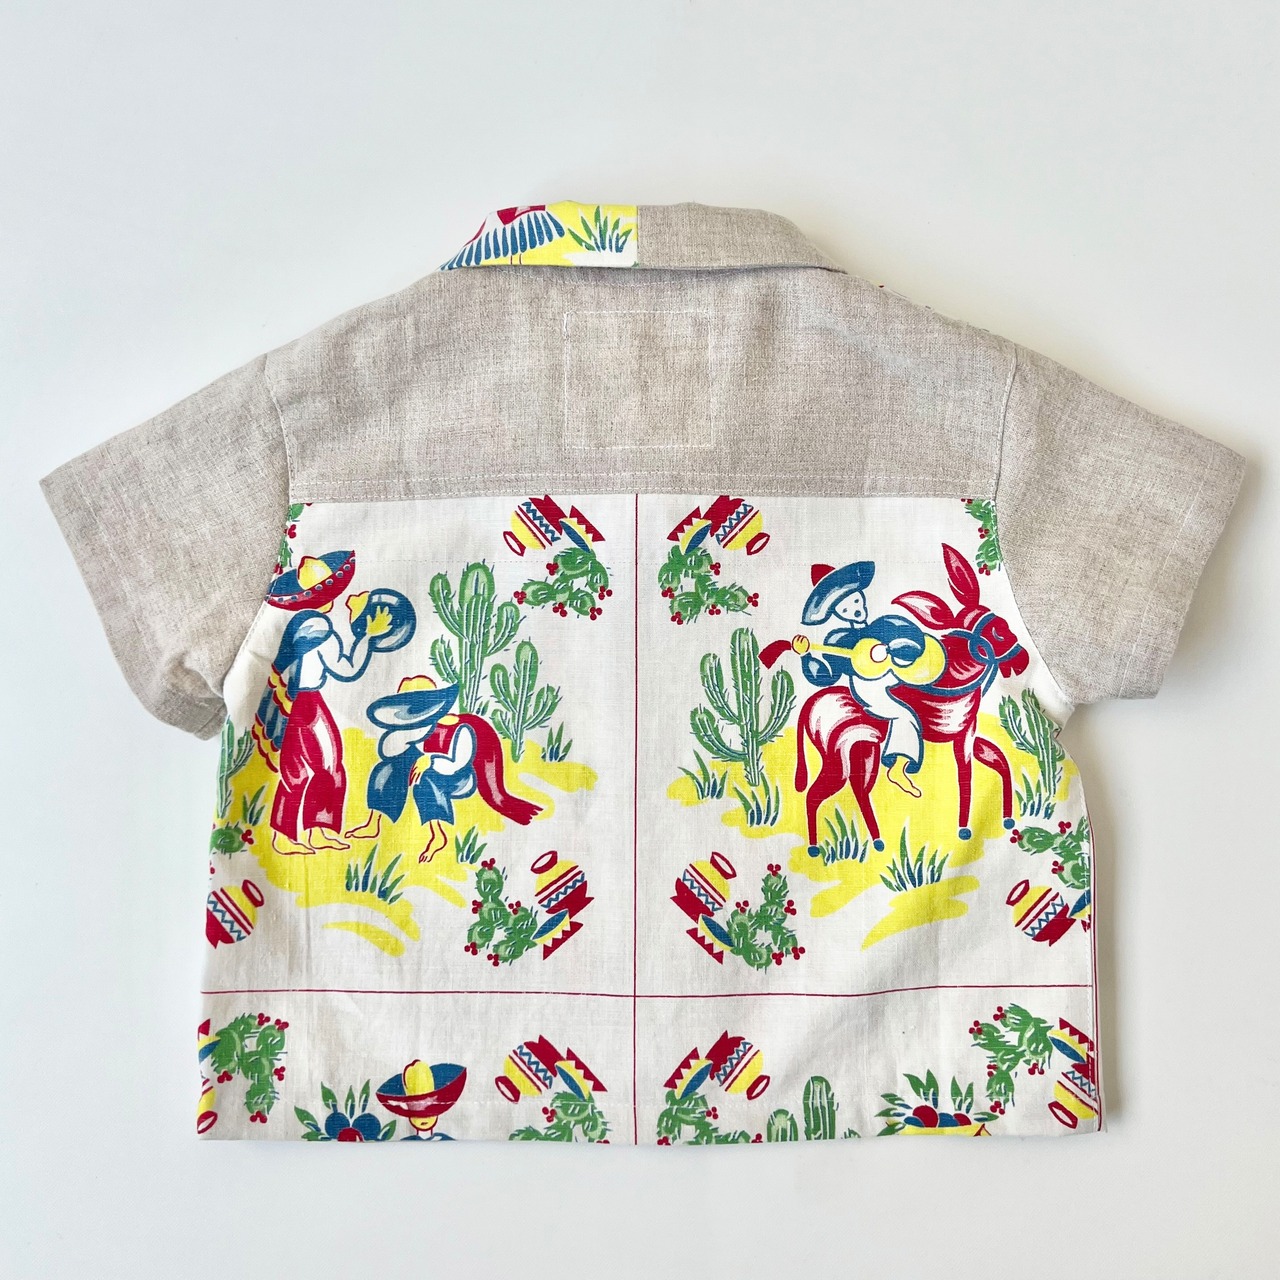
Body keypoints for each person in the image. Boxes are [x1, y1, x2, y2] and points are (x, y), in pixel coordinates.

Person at [798, 561, 943, 798]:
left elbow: (915, 640)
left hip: (896, 679)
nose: (855, 610)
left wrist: (891, 649)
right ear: (837, 614)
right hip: (869, 688)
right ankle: (898, 768)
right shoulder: (840, 641)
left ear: (862, 596)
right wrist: (806, 657)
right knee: (903, 715)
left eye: (855, 601)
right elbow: (826, 676)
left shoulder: (885, 625)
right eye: (845, 609)